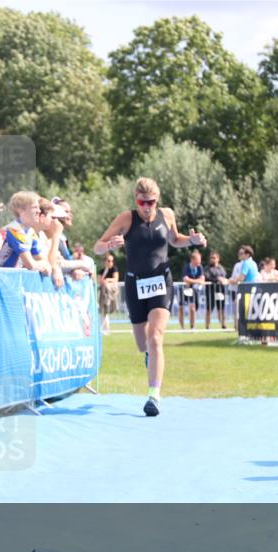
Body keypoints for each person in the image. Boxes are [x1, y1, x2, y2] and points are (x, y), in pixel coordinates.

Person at [93, 177, 206, 417]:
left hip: (161, 282)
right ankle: (149, 356)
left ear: (157, 200)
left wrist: (192, 241)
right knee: (142, 344)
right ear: (136, 200)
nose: (146, 207)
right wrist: (110, 245)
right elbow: (97, 247)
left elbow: (175, 240)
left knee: (155, 337)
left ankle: (154, 396)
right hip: (135, 285)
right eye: (141, 202)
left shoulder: (167, 215)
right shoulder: (126, 218)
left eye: (151, 202)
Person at [0, 191, 50, 273]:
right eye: (35, 207)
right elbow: (31, 265)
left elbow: (43, 260)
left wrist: (45, 265)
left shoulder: (30, 231)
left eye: (39, 207)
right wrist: (43, 266)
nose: (39, 211)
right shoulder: (15, 230)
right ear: (20, 210)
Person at [179, 249, 205, 329]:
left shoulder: (200, 267)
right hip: (184, 289)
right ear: (192, 259)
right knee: (181, 308)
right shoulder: (186, 267)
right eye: (198, 260)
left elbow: (202, 279)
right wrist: (196, 281)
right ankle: (182, 327)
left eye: (200, 260)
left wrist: (192, 282)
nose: (199, 262)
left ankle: (192, 327)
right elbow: (185, 279)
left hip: (193, 290)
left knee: (193, 309)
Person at [202, 251, 228, 330]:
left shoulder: (221, 268)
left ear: (218, 259)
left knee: (221, 308)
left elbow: (224, 276)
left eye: (214, 258)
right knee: (209, 309)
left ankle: (223, 325)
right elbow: (207, 277)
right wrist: (217, 279)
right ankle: (207, 326)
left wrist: (221, 279)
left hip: (220, 291)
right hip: (210, 291)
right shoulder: (207, 268)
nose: (212, 259)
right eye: (211, 258)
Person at [97, 253, 119, 334]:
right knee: (103, 312)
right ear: (105, 261)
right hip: (103, 295)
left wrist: (107, 280)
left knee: (106, 310)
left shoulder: (114, 269)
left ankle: (105, 329)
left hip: (111, 294)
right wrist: (105, 271)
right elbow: (99, 280)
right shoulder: (102, 271)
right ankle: (104, 329)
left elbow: (115, 279)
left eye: (112, 261)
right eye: (108, 261)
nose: (110, 262)